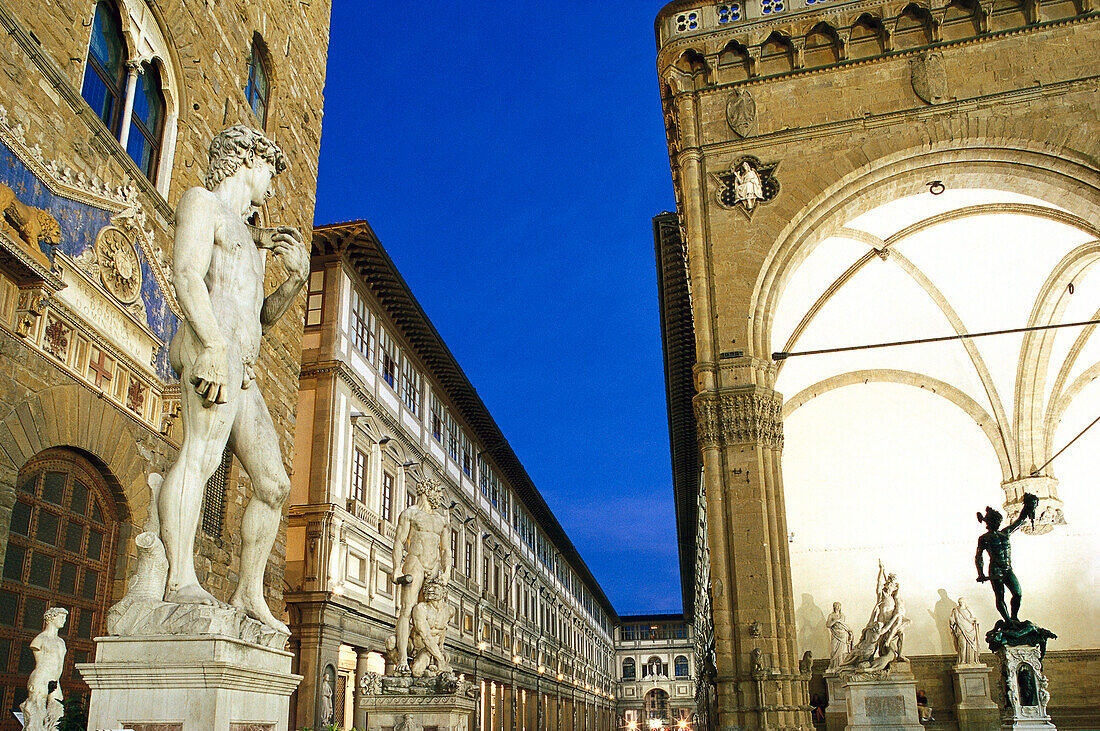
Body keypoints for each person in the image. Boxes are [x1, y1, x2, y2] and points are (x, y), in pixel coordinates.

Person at [157, 125, 309, 633]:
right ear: (246, 160)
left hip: (242, 366)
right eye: (270, 170)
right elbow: (185, 274)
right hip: (211, 349)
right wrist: (214, 348)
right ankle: (179, 578)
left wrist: (293, 279)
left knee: (273, 484)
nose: (272, 184)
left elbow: (262, 317)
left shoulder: (250, 235)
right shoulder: (203, 204)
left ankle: (247, 593)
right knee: (199, 456)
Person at [392, 478, 451, 674]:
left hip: (433, 568)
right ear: (427, 490)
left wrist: (447, 572)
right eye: (438, 492)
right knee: (407, 610)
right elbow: (399, 541)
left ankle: (432, 655)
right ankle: (401, 657)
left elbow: (446, 550)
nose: (440, 497)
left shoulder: (442, 521)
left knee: (433, 613)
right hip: (415, 562)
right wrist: (396, 569)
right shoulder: (410, 514)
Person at [975, 494, 1038, 622]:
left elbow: (1020, 520)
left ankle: (1014, 617)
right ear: (991, 523)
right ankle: (1008, 621)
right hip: (995, 571)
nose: (999, 524)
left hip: (1008, 569)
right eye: (997, 522)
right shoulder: (984, 538)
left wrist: (1028, 506)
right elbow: (979, 556)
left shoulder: (1005, 533)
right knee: (1000, 596)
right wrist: (980, 573)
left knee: (1018, 594)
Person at [20, 607, 68, 731]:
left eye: (65, 618)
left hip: (55, 679)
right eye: (61, 617)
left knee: (57, 715)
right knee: (36, 716)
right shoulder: (40, 639)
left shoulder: (61, 642)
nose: (64, 620)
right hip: (41, 677)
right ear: (51, 618)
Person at [410, 577, 455, 677]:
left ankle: (431, 670)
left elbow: (443, 629)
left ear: (443, 592)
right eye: (428, 588)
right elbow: (425, 635)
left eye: (435, 588)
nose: (430, 590)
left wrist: (441, 649)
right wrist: (440, 659)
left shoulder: (450, 610)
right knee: (417, 671)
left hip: (436, 649)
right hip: (421, 647)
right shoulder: (420, 608)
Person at [950, 598, 981, 665]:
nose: (960, 603)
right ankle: (962, 661)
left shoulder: (968, 609)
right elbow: (952, 619)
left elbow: (973, 618)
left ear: (964, 602)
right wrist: (951, 622)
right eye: (959, 602)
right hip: (961, 629)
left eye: (962, 602)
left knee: (971, 646)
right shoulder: (955, 610)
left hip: (970, 629)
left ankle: (971, 661)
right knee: (962, 645)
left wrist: (975, 620)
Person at [825, 602, 853, 671]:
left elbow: (842, 624)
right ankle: (834, 665)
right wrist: (835, 621)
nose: (837, 607)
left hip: (843, 634)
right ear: (833, 607)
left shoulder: (842, 615)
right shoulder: (831, 615)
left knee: (843, 650)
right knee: (834, 649)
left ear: (840, 607)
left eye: (838, 606)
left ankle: (841, 665)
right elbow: (828, 625)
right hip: (835, 634)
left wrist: (849, 631)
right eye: (835, 606)